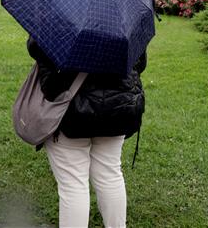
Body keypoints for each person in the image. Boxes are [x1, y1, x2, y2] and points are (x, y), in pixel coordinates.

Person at [27, 37, 145, 228]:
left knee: (73, 184)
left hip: (72, 115)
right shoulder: (124, 17)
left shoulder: (57, 17)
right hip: (117, 109)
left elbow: (50, 82)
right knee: (110, 175)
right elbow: (140, 62)